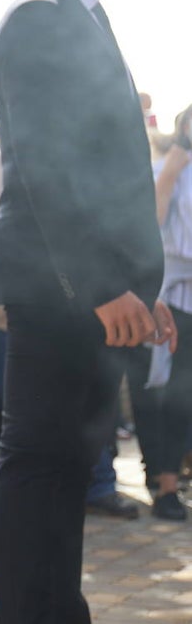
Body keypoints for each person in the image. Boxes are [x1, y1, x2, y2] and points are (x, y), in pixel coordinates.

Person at [0, 0, 176, 622]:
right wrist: (102, 285)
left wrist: (140, 289)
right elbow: (46, 169)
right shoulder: (38, 15)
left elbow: (108, 172)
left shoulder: (83, 13)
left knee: (69, 468)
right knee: (37, 466)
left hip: (96, 294)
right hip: (58, 287)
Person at [0, 148, 140, 519]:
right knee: (25, 413)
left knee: (91, 403)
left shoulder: (84, 153)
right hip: (13, 312)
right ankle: (29, 497)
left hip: (86, 308)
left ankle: (97, 484)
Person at [132, 105, 192, 521]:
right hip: (169, 294)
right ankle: (165, 484)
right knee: (165, 392)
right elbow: (151, 218)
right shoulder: (166, 168)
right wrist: (176, 160)